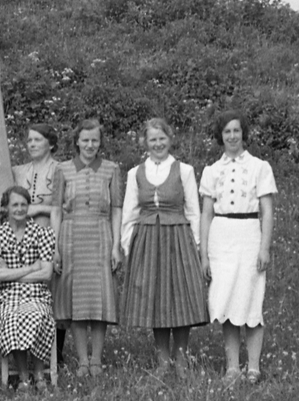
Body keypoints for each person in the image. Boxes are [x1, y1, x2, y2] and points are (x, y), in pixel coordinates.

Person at [120, 117, 208, 374]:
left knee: (181, 297)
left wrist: (197, 245)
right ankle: (162, 360)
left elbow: (193, 211)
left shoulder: (184, 171)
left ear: (170, 139)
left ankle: (181, 358)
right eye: (152, 139)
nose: (157, 144)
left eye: (162, 138)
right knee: (155, 298)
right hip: (147, 240)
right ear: (145, 142)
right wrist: (129, 246)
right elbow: (129, 212)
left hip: (178, 238)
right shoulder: (135, 173)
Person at [200, 111, 277, 386]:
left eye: (236, 130)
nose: (232, 136)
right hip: (221, 239)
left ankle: (253, 367)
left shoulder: (259, 167)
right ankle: (232, 367)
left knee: (251, 299)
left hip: (249, 237)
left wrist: (264, 248)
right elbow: (206, 214)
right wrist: (204, 255)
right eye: (227, 132)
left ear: (243, 133)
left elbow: (267, 211)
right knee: (227, 301)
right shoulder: (212, 171)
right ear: (220, 136)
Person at [51, 118, 123, 379]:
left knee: (99, 298)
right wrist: (54, 247)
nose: (90, 145)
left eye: (95, 140)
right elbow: (56, 210)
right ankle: (82, 360)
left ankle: (96, 359)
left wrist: (116, 245)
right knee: (77, 300)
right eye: (85, 140)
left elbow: (117, 209)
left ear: (100, 142)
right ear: (77, 142)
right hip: (71, 236)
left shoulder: (111, 169)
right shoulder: (62, 169)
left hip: (100, 235)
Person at [0, 186, 56, 391]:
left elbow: (46, 274)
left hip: (37, 294)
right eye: (15, 204)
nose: (20, 209)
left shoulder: (42, 233)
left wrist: (12, 273)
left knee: (38, 315)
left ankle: (39, 374)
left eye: (24, 204)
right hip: (8, 296)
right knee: (13, 317)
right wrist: (32, 267)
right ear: (6, 207)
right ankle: (23, 376)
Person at [11, 123, 67, 356]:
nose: (32, 144)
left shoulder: (61, 170)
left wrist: (39, 209)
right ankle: (27, 349)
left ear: (50, 144)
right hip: (22, 240)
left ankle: (56, 352)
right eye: (29, 140)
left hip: (50, 235)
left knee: (54, 293)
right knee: (26, 290)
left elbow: (64, 206)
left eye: (37, 140)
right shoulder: (18, 171)